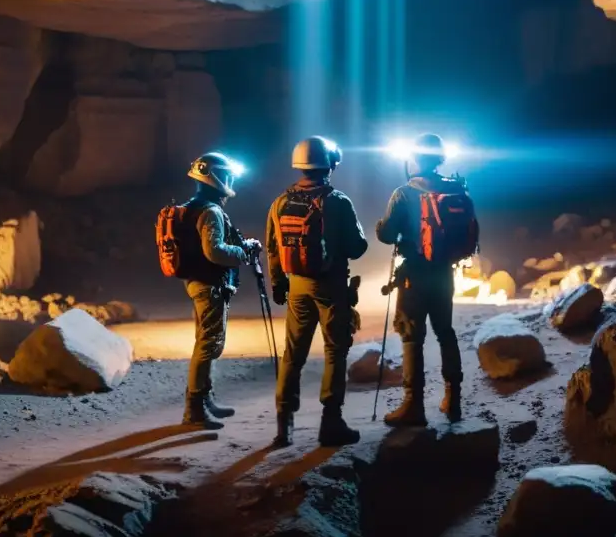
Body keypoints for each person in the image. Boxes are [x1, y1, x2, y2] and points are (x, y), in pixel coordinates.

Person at [266, 136, 368, 447]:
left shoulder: (281, 201)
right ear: (329, 164)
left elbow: (272, 246)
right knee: (335, 352)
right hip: (330, 285)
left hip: (296, 285)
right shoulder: (336, 201)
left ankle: (284, 428)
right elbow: (357, 246)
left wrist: (279, 284)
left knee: (292, 355)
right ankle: (331, 423)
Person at [375, 133, 478, 427]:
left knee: (411, 336)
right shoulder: (456, 189)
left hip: (414, 276)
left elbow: (386, 235)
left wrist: (380, 226)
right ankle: (453, 399)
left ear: (415, 159)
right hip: (445, 273)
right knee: (445, 332)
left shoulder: (404, 193)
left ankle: (413, 405)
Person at [180, 152, 261, 429]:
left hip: (196, 282)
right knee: (208, 345)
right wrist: (243, 251)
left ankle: (204, 399)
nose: (230, 181)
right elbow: (214, 251)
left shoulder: (194, 206)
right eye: (227, 175)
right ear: (215, 177)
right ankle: (195, 409)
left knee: (206, 342)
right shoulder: (211, 211)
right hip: (209, 285)